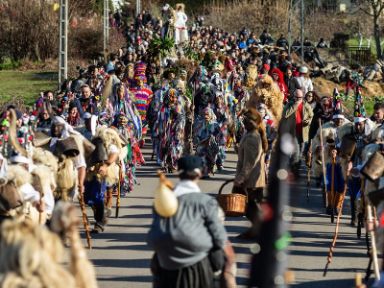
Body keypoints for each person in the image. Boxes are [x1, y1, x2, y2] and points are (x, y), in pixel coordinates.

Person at [148, 155, 227, 288]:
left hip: (166, 264)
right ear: (199, 174)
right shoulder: (206, 202)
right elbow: (219, 238)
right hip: (198, 267)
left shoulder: (163, 199)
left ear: (179, 173)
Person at [234, 108, 268, 239]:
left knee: (251, 208)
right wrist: (239, 150)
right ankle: (256, 230)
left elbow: (250, 162)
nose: (243, 123)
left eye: (245, 121)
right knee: (251, 208)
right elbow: (248, 156)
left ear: (252, 123)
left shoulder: (253, 137)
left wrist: (241, 178)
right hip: (253, 178)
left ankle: (259, 231)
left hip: (252, 180)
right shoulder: (249, 135)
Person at [284, 89, 314, 177]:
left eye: (300, 97)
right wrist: (295, 105)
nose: (299, 99)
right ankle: (294, 170)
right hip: (293, 131)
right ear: (294, 97)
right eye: (297, 97)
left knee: (300, 152)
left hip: (303, 131)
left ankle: (294, 167)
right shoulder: (290, 104)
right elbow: (285, 114)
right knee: (296, 152)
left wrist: (308, 121)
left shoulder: (306, 105)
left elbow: (311, 115)